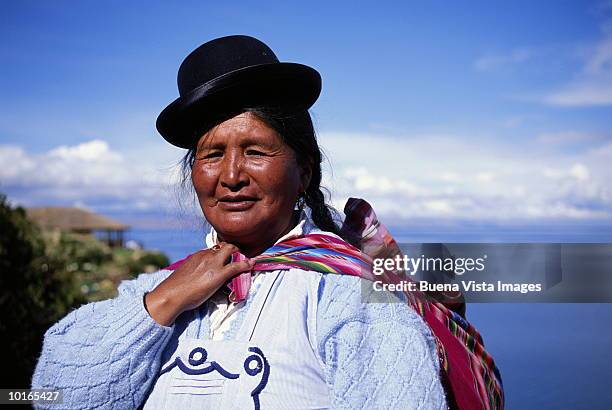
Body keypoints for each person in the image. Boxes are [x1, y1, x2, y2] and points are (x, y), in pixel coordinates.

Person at [32, 35, 500, 409]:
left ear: (304, 172)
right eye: (212, 155)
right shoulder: (156, 291)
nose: (231, 175)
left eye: (255, 151)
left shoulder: (350, 303)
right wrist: (164, 302)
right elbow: (55, 395)